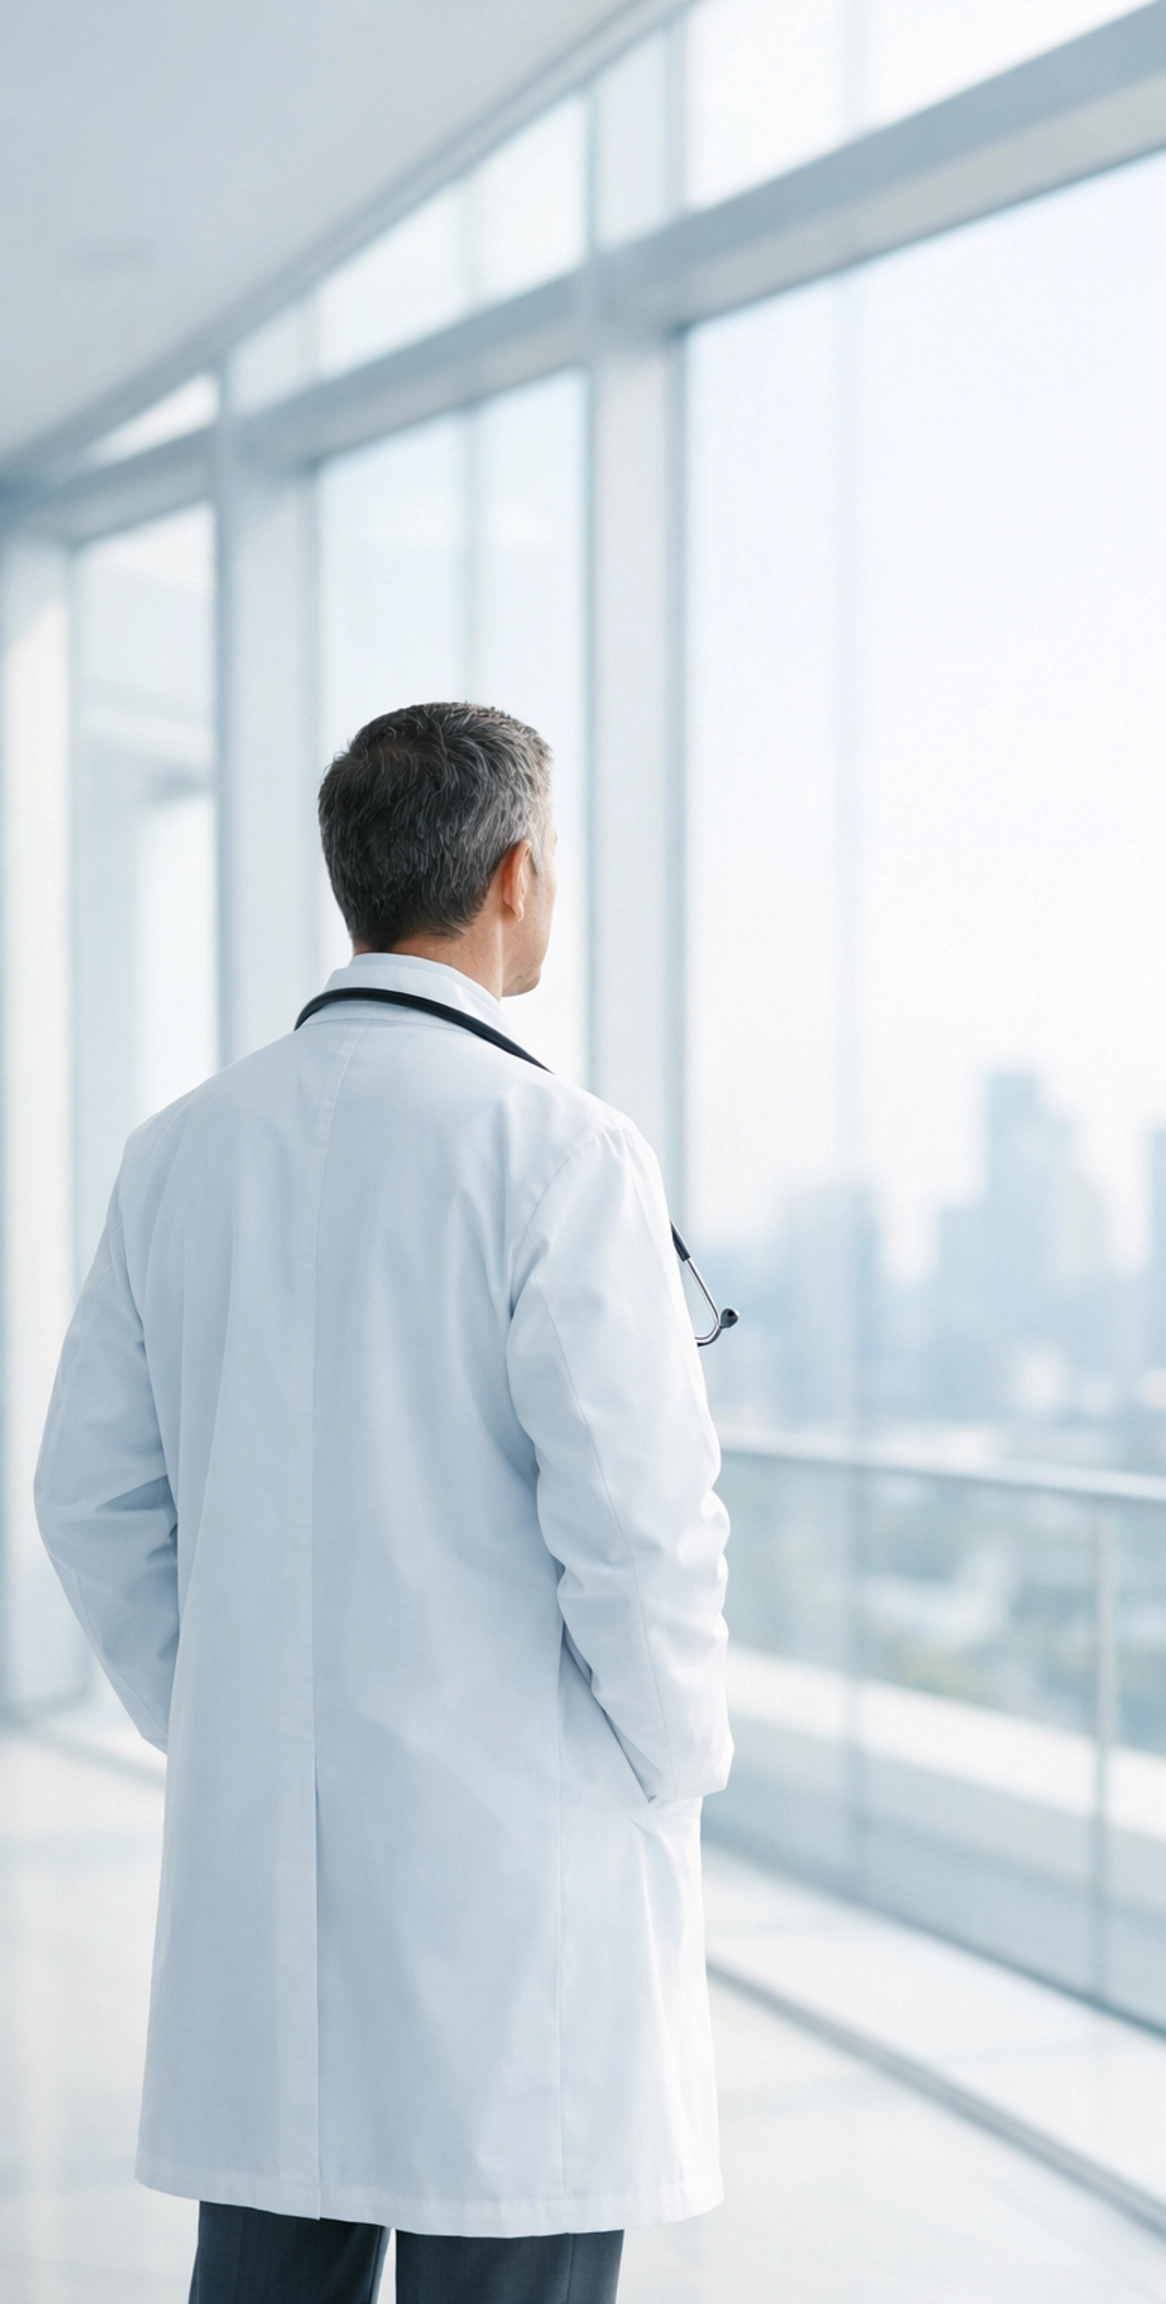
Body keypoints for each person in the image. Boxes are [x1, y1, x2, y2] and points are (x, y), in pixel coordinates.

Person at [34, 702, 732, 2304]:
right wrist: (667, 1764)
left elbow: (89, 1497)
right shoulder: (560, 1151)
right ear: (514, 874)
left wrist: (222, 1714)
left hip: (265, 1889)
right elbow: (641, 1533)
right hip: (517, 1887)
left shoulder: (181, 1150)